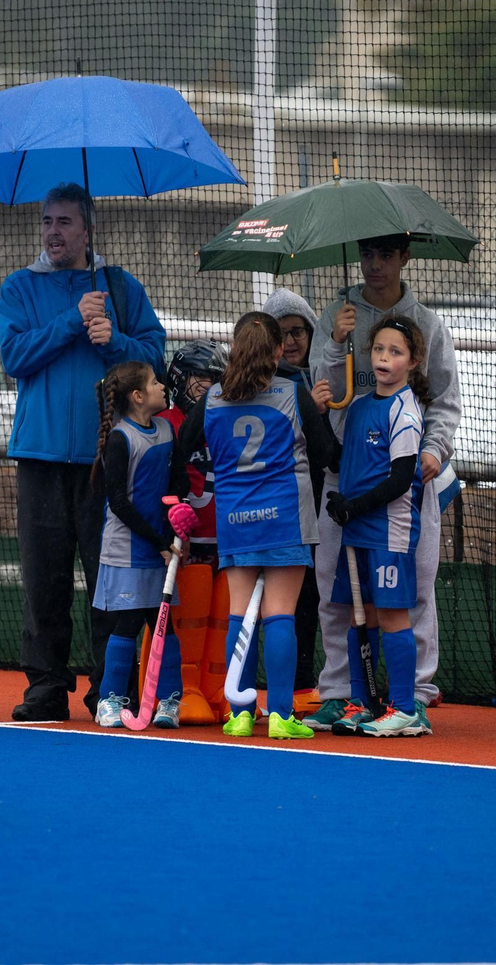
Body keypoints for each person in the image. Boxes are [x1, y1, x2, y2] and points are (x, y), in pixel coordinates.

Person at [0, 183, 165, 722]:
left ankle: (107, 689)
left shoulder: (120, 286)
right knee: (42, 582)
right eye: (47, 221)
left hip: (105, 462)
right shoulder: (19, 288)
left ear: (88, 231)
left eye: (65, 222)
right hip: (40, 458)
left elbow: (153, 357)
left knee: (108, 582)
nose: (53, 231)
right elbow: (15, 356)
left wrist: (112, 338)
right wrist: (73, 319)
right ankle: (45, 687)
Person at [306, 234, 460, 730]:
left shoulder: (429, 324)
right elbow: (324, 392)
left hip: (404, 483)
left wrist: (434, 451)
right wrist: (334, 342)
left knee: (410, 588)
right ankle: (342, 692)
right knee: (340, 588)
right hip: (345, 480)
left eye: (386, 255)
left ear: (404, 259)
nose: (375, 265)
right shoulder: (338, 313)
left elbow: (445, 399)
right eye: (368, 254)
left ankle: (410, 693)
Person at [171, 311, 338, 740]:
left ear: (234, 348)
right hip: (285, 519)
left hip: (236, 522)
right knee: (280, 616)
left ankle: (240, 712)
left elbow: (179, 452)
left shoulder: (212, 400)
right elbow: (327, 456)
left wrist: (174, 500)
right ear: (279, 350)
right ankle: (281, 715)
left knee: (238, 616)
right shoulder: (294, 394)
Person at [324, 318, 436, 738]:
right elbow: (340, 461)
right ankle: (362, 702)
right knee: (359, 616)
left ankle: (405, 708)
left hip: (388, 530)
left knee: (391, 616)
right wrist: (316, 415)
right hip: (355, 528)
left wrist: (354, 506)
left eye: (396, 352)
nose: (385, 358)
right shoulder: (358, 406)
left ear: (413, 361)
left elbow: (400, 478)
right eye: (379, 350)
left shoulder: (405, 411)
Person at [89, 360, 182, 728]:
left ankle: (170, 701)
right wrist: (159, 541)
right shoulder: (120, 439)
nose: (163, 386)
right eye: (155, 383)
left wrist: (179, 520)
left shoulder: (166, 431)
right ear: (138, 396)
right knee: (128, 623)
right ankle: (108, 700)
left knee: (164, 625)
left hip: (160, 546)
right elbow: (120, 503)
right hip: (127, 548)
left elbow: (174, 487)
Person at [262, 287, 331, 716]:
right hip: (280, 505)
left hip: (325, 498)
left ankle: (320, 685)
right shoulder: (262, 384)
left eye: (298, 331)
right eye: (281, 333)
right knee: (283, 600)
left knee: (319, 595)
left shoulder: (328, 374)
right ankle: (286, 689)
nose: (290, 342)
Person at [158, 339, 231, 723]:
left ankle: (218, 688)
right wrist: (170, 514)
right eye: (200, 380)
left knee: (222, 616)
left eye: (215, 380)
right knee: (193, 615)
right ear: (179, 380)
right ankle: (185, 690)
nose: (208, 388)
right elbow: (156, 484)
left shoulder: (223, 421)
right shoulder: (167, 425)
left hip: (224, 538)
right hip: (185, 543)